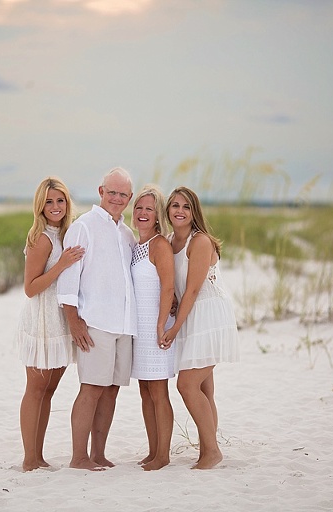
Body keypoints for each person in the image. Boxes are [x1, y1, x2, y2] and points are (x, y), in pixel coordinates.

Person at [57, 167, 138, 470]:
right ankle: (78, 457)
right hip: (94, 324)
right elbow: (69, 277)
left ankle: (98, 454)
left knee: (111, 390)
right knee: (91, 388)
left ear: (129, 198)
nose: (117, 198)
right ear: (101, 191)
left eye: (123, 194)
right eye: (112, 192)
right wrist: (73, 320)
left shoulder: (126, 233)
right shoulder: (84, 226)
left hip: (123, 325)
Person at [160, 186, 239, 470]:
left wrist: (174, 328)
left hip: (209, 315)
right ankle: (207, 448)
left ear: (194, 212)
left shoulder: (200, 241)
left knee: (187, 384)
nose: (180, 211)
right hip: (191, 313)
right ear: (167, 210)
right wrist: (171, 303)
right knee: (204, 388)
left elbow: (193, 291)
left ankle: (212, 451)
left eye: (186, 207)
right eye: (175, 206)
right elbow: (176, 287)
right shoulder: (169, 241)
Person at [17, 177, 85, 472]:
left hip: (60, 320)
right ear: (40, 206)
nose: (55, 206)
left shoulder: (65, 234)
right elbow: (30, 288)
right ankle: (30, 459)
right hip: (42, 319)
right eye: (49, 201)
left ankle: (38, 456)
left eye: (60, 200)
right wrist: (61, 265)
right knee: (35, 389)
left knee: (49, 390)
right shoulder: (42, 237)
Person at [129, 184, 176, 471]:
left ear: (158, 215)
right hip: (140, 328)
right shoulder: (136, 246)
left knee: (159, 391)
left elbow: (168, 286)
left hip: (156, 326)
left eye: (149, 208)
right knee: (145, 390)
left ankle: (164, 455)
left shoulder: (160, 244)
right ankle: (153, 450)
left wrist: (160, 325)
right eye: (139, 207)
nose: (143, 213)